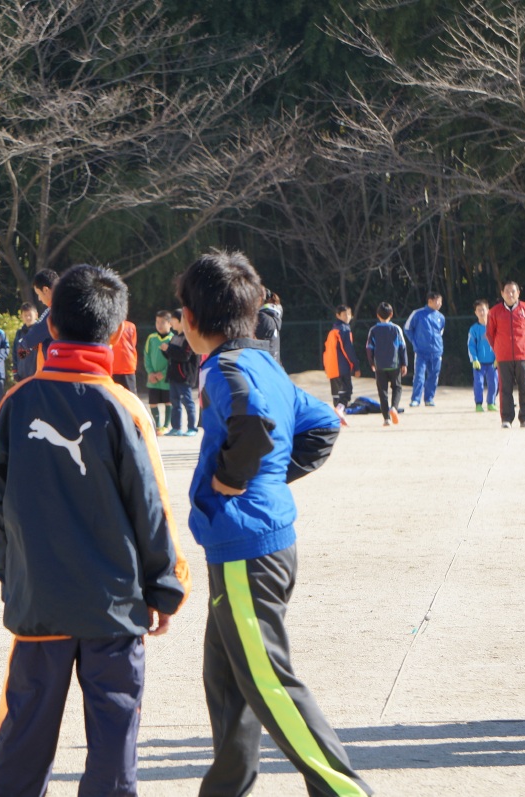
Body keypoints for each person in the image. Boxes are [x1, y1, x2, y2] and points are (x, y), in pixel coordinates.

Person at [0, 263, 190, 797]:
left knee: (24, 736)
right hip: (113, 606)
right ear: (120, 333)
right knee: (114, 737)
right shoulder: (125, 407)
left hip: (40, 602)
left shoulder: (16, 403)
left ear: (50, 327)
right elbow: (151, 506)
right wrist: (165, 588)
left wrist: (13, 578)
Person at [175, 250, 372, 797]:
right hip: (257, 546)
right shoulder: (263, 363)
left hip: (246, 551)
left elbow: (254, 423)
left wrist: (235, 478)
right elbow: (323, 425)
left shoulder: (225, 369)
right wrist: (270, 477)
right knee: (228, 683)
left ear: (191, 318)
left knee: (268, 683)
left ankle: (346, 791)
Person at [485, 281, 525, 429]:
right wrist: (498, 348)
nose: (510, 294)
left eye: (513, 291)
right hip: (503, 356)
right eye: (507, 291)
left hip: (523, 355)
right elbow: (490, 333)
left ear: (518, 293)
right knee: (505, 388)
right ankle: (506, 418)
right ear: (502, 293)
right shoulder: (494, 312)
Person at [366, 302, 408, 426]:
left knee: (382, 391)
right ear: (391, 314)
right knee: (397, 387)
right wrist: (404, 363)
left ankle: (386, 419)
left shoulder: (373, 330)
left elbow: (369, 348)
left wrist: (371, 362)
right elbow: (402, 347)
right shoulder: (396, 329)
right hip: (394, 364)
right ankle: (394, 407)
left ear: (377, 315)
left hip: (379, 365)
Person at [404, 292, 445, 407]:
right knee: (419, 375)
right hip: (421, 352)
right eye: (437, 301)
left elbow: (440, 332)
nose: (440, 304)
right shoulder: (417, 313)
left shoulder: (441, 317)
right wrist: (415, 342)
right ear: (430, 301)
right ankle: (416, 399)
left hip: (436, 351)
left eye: (441, 302)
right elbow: (407, 328)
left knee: (434, 375)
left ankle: (429, 398)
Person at [162, 309, 199, 436]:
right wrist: (165, 350)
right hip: (173, 376)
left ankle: (192, 428)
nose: (170, 322)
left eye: (173, 320)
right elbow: (171, 356)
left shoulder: (189, 338)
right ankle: (176, 427)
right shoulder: (174, 337)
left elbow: (185, 356)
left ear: (181, 321)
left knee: (187, 402)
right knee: (175, 402)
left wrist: (169, 349)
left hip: (184, 376)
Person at [16, 269, 59, 372]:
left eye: (38, 294)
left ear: (45, 290)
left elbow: (31, 338)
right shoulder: (73, 304)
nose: (39, 299)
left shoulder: (54, 310)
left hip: (54, 369)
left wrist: (22, 343)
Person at [323, 304, 359, 409]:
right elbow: (348, 350)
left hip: (331, 368)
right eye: (344, 314)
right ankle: (340, 410)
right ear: (338, 315)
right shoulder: (343, 329)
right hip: (341, 368)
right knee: (346, 393)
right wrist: (356, 366)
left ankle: (337, 413)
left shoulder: (332, 330)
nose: (347, 317)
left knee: (336, 395)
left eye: (349, 314)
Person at [144, 310, 174, 432]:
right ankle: (157, 425)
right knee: (153, 402)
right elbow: (146, 356)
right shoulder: (151, 338)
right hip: (153, 378)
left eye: (163, 322)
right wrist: (150, 372)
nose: (159, 325)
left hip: (166, 378)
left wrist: (164, 373)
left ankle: (166, 426)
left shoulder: (173, 339)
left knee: (168, 402)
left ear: (170, 324)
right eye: (157, 322)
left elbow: (173, 360)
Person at [467, 300, 498, 412]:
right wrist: (474, 359)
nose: (481, 312)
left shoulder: (495, 327)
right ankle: (478, 404)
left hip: (493, 362)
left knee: (494, 383)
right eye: (478, 310)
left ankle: (491, 403)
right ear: (475, 312)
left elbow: (499, 343)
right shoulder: (474, 329)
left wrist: (498, 358)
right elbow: (471, 345)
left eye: (483, 310)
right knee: (478, 383)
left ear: (488, 311)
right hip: (479, 363)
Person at [110, 317, 138, 393]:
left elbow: (133, 344)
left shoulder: (131, 326)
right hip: (113, 368)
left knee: (130, 395)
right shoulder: (109, 326)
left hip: (128, 368)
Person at [12, 301, 39, 381]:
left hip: (37, 373)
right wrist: (15, 371)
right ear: (21, 317)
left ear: (36, 315)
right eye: (25, 315)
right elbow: (15, 353)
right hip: (22, 374)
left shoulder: (40, 332)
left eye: (30, 315)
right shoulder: (19, 333)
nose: (28, 318)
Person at [255, 289, 283, 364]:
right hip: (273, 365)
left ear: (260, 300)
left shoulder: (262, 317)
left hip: (263, 365)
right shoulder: (274, 318)